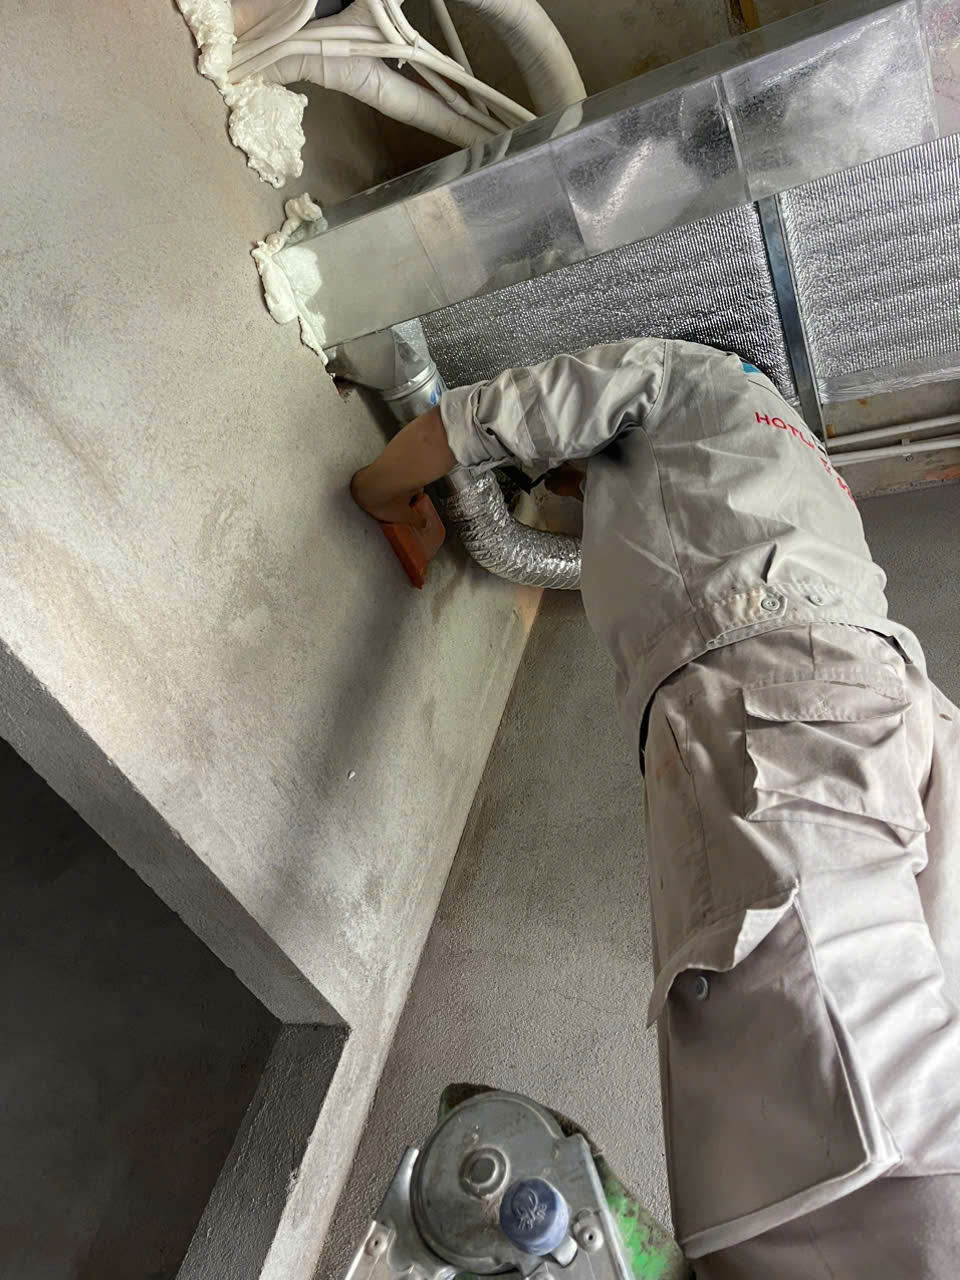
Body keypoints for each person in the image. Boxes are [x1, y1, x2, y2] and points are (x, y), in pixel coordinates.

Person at [350, 337, 960, 1277]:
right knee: (880, 1060)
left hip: (785, 695)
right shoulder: (795, 460)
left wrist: (379, 490)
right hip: (889, 708)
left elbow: (491, 413)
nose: (569, 492)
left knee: (842, 1072)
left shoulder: (682, 368)